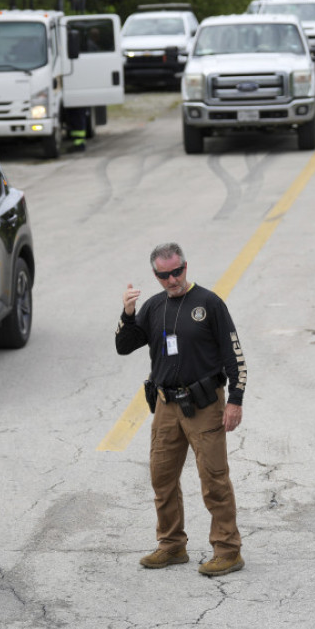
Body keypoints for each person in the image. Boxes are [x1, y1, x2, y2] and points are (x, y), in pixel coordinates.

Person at [115, 242, 247, 577]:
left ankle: (228, 551)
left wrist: (235, 399)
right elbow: (124, 345)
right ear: (156, 275)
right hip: (165, 406)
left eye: (177, 271)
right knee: (162, 477)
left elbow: (235, 355)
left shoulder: (209, 303)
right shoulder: (154, 306)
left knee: (214, 479)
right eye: (164, 275)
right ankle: (172, 545)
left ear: (186, 267)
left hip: (204, 405)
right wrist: (128, 314)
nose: (172, 279)